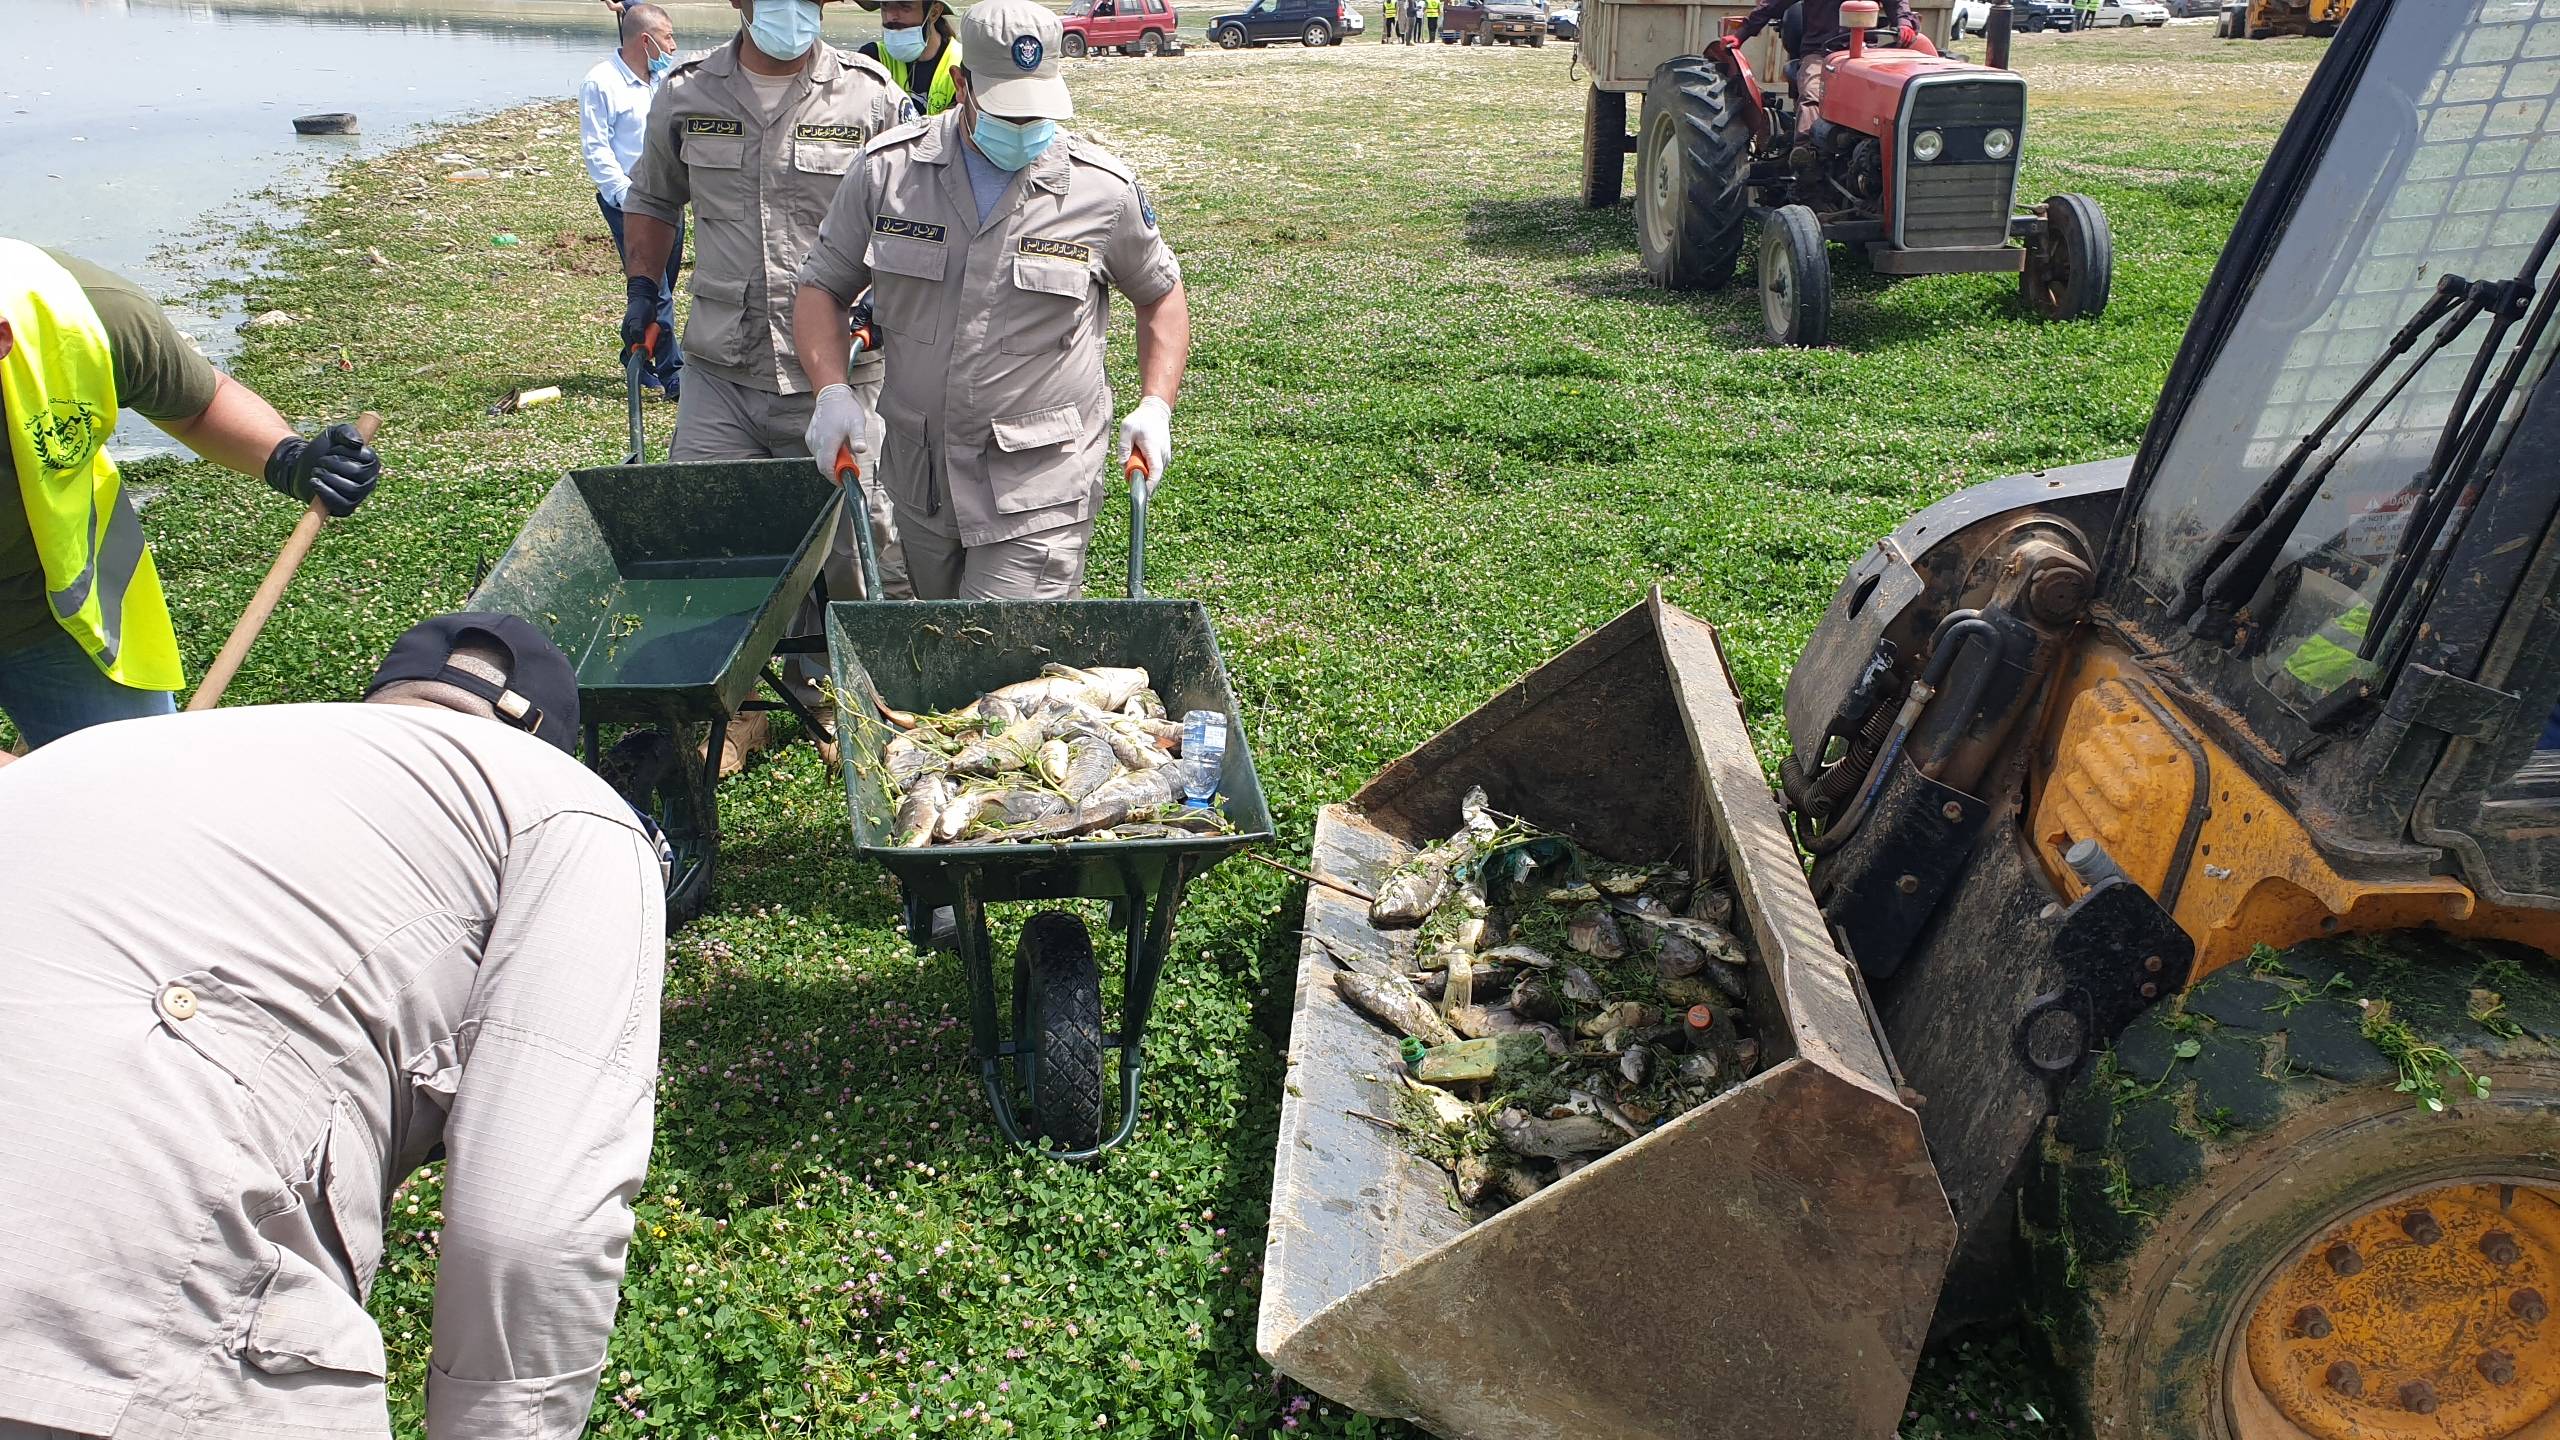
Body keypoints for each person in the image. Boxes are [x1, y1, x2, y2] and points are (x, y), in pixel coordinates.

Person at [0, 613, 665, 1440]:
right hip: (123, 1308)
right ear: (548, 742)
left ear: (383, 701)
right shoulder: (567, 808)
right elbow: (532, 1224)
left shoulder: (93, 756)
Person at [791, 0, 1191, 602]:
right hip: (921, 480)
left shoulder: (1102, 191)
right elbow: (822, 286)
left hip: (1038, 490)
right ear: (962, 83)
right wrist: (831, 391)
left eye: (1038, 109)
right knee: (940, 648)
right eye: (1008, 109)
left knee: (995, 666)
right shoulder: (888, 174)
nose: (1026, 126)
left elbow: (1160, 295)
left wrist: (1156, 404)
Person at [617, 0, 916, 771]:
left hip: (846, 367)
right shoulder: (687, 92)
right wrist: (644, 291)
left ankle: (841, 702)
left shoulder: (871, 95)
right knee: (713, 542)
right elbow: (651, 199)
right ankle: (739, 709)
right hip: (724, 366)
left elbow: (913, 212)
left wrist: (889, 296)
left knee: (862, 541)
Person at [0, 239, 379, 751]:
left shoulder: (87, 314)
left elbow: (199, 406)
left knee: (138, 793)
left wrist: (288, 460)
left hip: (50, 616)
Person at [582, 3, 685, 400]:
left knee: (666, 283)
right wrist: (630, 199)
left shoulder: (664, 80)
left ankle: (634, 354)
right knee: (655, 287)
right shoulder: (601, 82)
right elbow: (597, 149)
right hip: (630, 201)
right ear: (645, 40)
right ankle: (674, 375)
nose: (673, 45)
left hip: (669, 196)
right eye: (667, 37)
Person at [860, 0, 964, 115]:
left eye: (904, 5)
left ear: (934, 12)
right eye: (885, 5)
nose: (891, 16)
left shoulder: (964, 65)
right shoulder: (871, 58)